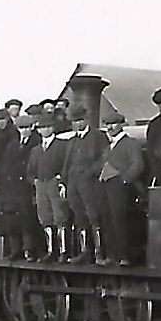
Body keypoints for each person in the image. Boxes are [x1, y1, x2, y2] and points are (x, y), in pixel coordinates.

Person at [0, 115, 40, 260]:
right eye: (21, 128)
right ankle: (15, 250)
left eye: (27, 128)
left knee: (26, 219)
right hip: (9, 187)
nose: (24, 131)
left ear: (32, 128)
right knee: (10, 219)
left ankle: (29, 250)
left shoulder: (36, 144)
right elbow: (2, 165)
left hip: (25, 186)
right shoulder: (12, 144)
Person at [63, 105, 109, 264]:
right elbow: (66, 164)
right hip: (73, 183)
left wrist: (91, 172)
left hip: (90, 183)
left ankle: (100, 253)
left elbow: (104, 158)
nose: (77, 124)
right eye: (74, 122)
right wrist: (64, 182)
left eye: (79, 120)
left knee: (94, 216)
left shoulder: (98, 136)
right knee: (79, 217)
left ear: (86, 119)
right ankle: (85, 252)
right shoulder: (71, 141)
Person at [98, 111, 145, 266]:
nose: (110, 127)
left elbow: (138, 165)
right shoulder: (108, 146)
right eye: (107, 124)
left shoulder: (130, 143)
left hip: (119, 186)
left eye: (113, 124)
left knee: (119, 220)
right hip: (105, 186)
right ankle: (111, 255)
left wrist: (124, 180)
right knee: (107, 220)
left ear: (121, 124)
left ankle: (124, 256)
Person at [27, 112, 73, 262]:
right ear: (38, 130)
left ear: (52, 128)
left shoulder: (62, 145)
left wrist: (60, 179)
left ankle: (64, 252)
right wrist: (34, 181)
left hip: (55, 183)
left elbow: (67, 164)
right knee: (45, 218)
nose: (44, 130)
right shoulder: (35, 150)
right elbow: (30, 170)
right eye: (41, 127)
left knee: (60, 217)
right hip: (41, 185)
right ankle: (50, 251)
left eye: (47, 127)